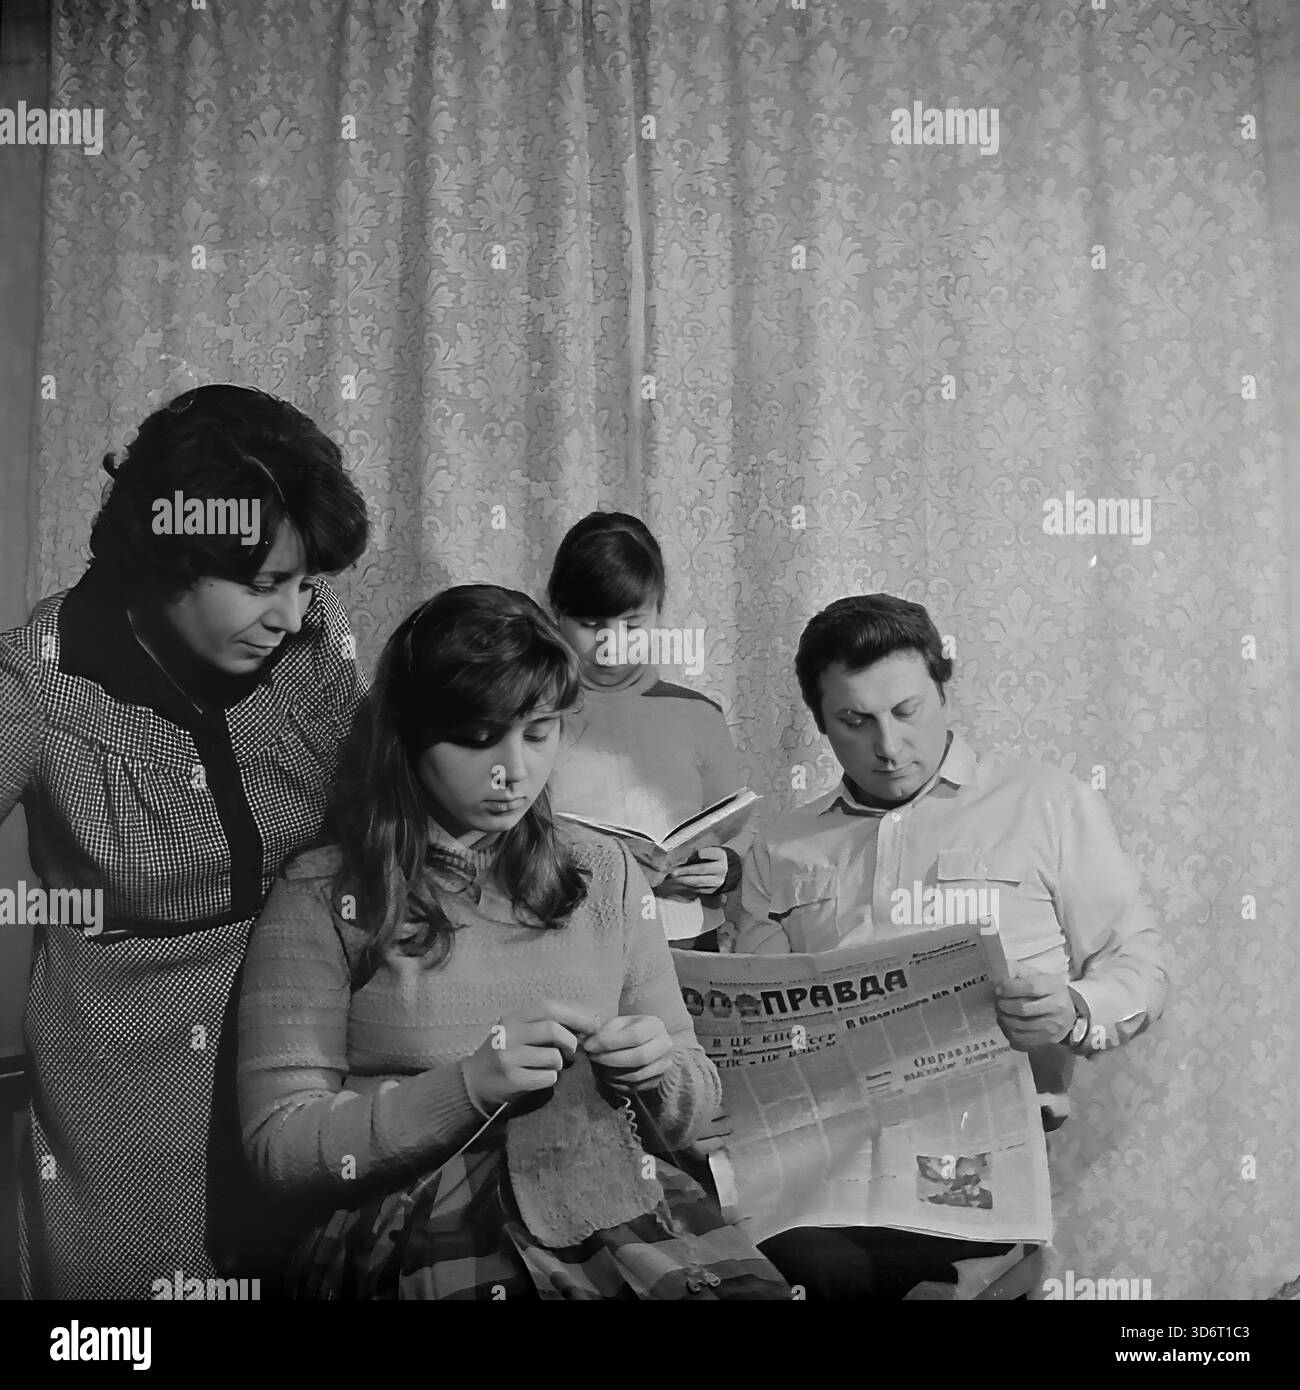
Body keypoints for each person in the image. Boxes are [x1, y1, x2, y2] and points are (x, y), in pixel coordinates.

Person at [237, 586, 769, 1300]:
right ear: (409, 734)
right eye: (477, 738)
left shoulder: (604, 871)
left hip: (602, 1190)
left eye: (539, 731)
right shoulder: (325, 891)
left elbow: (695, 1104)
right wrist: (466, 1087)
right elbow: (280, 1145)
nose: (511, 772)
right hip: (413, 1214)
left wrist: (656, 1073)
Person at [0, 384, 369, 1298]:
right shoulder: (39, 680)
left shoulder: (310, 649)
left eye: (301, 583)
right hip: (124, 1090)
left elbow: (385, 811)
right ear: (167, 557)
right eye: (259, 585)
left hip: (304, 1050)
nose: (288, 613)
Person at [729, 593, 1169, 1299]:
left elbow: (1141, 967)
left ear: (943, 689)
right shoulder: (782, 846)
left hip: (977, 1162)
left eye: (907, 712)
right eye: (854, 721)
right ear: (820, 722)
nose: (888, 746)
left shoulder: (1047, 804)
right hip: (821, 1175)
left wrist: (1075, 1010)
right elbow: (758, 1024)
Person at [544, 512, 749, 949]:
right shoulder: (534, 718)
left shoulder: (698, 715)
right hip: (568, 942)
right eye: (591, 624)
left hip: (686, 941)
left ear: (659, 611)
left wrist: (726, 866)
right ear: (555, 612)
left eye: (632, 624)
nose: (611, 643)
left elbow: (739, 832)